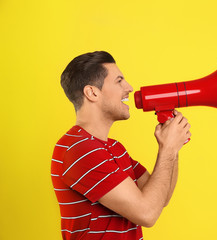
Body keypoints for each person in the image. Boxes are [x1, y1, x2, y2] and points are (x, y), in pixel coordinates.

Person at [51, 51, 191, 240]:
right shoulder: (78, 149)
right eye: (119, 81)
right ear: (92, 92)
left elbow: (160, 198)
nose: (130, 88)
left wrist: (173, 148)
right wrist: (168, 149)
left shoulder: (114, 147)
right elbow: (147, 214)